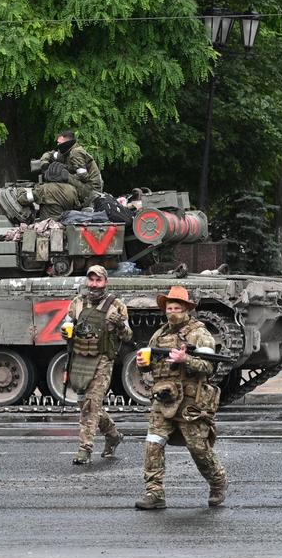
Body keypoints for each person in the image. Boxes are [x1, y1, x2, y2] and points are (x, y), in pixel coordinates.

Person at [134, 286, 227, 510]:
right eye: (169, 307)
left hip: (190, 401)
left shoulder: (199, 333)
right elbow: (151, 368)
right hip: (164, 397)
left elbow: (210, 367)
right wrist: (143, 365)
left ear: (186, 309)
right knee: (153, 443)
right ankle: (154, 492)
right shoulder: (160, 335)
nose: (172, 311)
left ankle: (217, 482)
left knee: (198, 448)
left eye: (177, 307)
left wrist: (186, 360)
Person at [61, 265, 131, 465]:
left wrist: (119, 324)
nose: (94, 284)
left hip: (102, 360)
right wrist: (65, 331)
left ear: (105, 282)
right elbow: (66, 325)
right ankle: (113, 435)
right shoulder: (77, 303)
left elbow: (128, 336)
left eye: (98, 280)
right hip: (80, 358)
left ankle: (85, 449)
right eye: (91, 280)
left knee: (91, 404)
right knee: (85, 404)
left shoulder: (116, 305)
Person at [39, 130, 104, 203]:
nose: (58, 145)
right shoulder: (66, 151)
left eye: (59, 143)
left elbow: (84, 177)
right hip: (85, 187)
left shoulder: (75, 153)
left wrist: (65, 172)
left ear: (67, 143)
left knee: (60, 174)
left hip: (91, 191)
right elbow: (49, 154)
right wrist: (44, 163)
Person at [16, 161, 82, 221]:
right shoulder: (72, 189)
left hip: (47, 226)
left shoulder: (43, 188)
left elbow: (23, 199)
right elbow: (77, 208)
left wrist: (20, 190)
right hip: (66, 225)